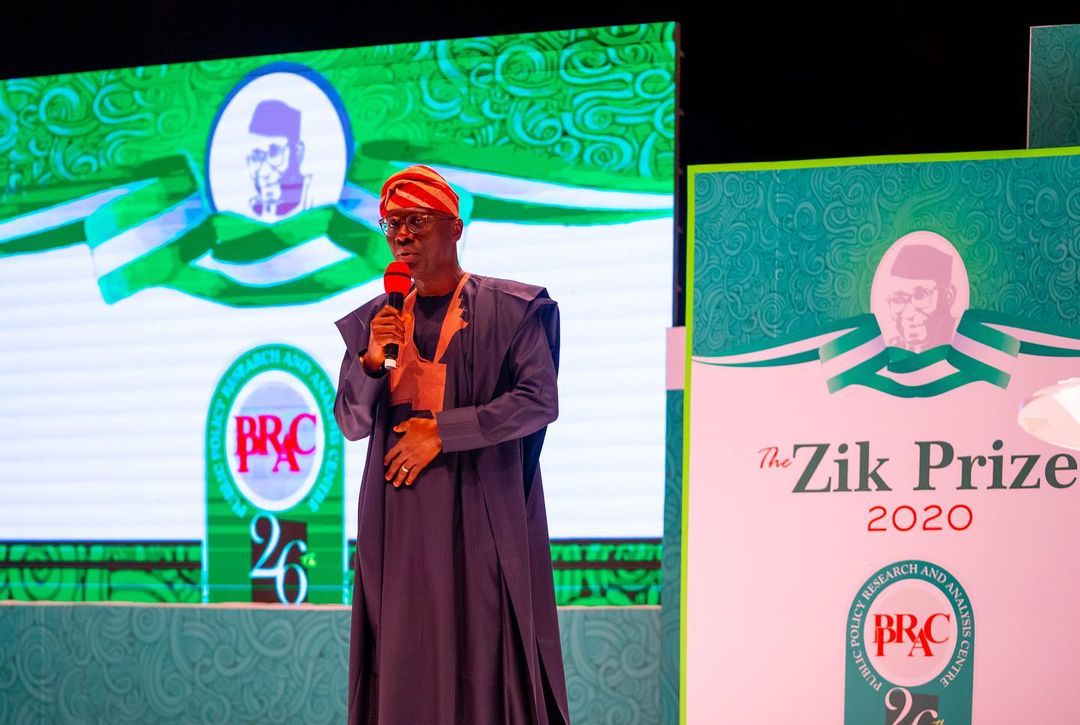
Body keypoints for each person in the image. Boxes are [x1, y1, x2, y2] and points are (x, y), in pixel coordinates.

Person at [333, 164, 569, 724]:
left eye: (416, 222)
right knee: (405, 664)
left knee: (482, 663)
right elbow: (351, 421)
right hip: (400, 524)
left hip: (481, 517)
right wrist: (371, 363)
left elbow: (540, 400)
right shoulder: (376, 322)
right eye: (392, 227)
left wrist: (443, 431)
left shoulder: (511, 310)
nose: (403, 237)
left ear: (456, 227)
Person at [881, 243, 959, 352]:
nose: (908, 314)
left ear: (948, 296)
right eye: (898, 300)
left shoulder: (962, 341)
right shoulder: (895, 346)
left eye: (920, 296)